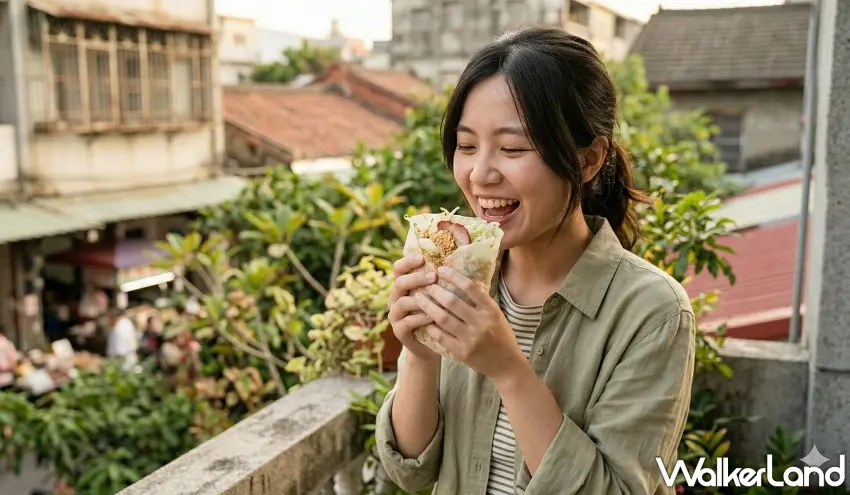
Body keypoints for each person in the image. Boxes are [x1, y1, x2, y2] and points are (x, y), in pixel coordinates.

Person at [376, 26, 695, 495]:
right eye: (467, 146)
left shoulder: (653, 312)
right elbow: (411, 470)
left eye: (513, 148)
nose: (480, 174)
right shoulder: (458, 278)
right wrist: (420, 354)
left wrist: (509, 371)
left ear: (588, 160)